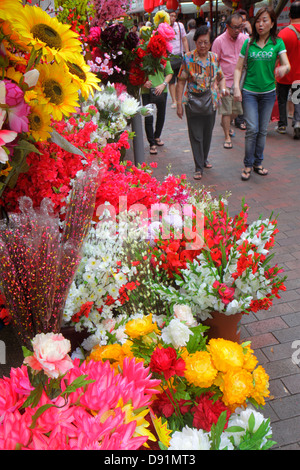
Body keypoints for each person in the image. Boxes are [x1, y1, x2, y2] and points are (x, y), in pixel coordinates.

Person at [233, 7, 290, 181]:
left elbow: (287, 64)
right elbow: (238, 68)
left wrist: (283, 69)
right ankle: (248, 164)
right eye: (258, 20)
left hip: (268, 93)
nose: (261, 24)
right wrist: (236, 87)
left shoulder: (277, 43)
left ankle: (258, 163)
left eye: (265, 20)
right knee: (252, 129)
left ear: (272, 23)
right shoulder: (248, 43)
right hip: (249, 92)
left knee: (262, 131)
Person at [176, 25, 226, 180]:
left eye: (206, 42)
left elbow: (221, 77)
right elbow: (180, 81)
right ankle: (198, 166)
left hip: (211, 101)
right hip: (193, 101)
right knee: (196, 135)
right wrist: (179, 103)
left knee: (207, 133)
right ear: (195, 42)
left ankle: (204, 158)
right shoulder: (188, 58)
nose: (203, 45)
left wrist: (223, 89)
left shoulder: (214, 58)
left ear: (210, 43)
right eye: (200, 42)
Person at [212, 13, 248, 149]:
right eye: (234, 27)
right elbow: (214, 64)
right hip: (225, 82)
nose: (237, 30)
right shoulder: (219, 41)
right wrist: (216, 84)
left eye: (240, 27)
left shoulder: (245, 39)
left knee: (238, 110)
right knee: (226, 111)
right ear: (227, 26)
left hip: (240, 82)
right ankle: (227, 136)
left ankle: (226, 123)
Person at [276, 0, 300, 139]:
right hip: (299, 75)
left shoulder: (283, 34)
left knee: (282, 100)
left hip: (284, 74)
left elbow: (277, 56)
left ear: (290, 15)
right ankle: (297, 122)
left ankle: (282, 125)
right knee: (298, 99)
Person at [141, 62, 173, 155]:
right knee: (148, 116)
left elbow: (169, 73)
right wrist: (143, 82)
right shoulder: (142, 55)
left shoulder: (163, 56)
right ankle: (152, 143)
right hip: (146, 91)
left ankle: (157, 136)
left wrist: (163, 84)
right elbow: (136, 74)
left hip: (161, 89)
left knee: (161, 114)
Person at [168, 9, 189, 108]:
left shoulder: (180, 26)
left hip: (179, 56)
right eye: (170, 16)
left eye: (174, 16)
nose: (172, 18)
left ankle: (178, 97)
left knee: (180, 79)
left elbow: (184, 39)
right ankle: (174, 100)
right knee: (171, 80)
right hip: (169, 58)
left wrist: (187, 53)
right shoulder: (164, 27)